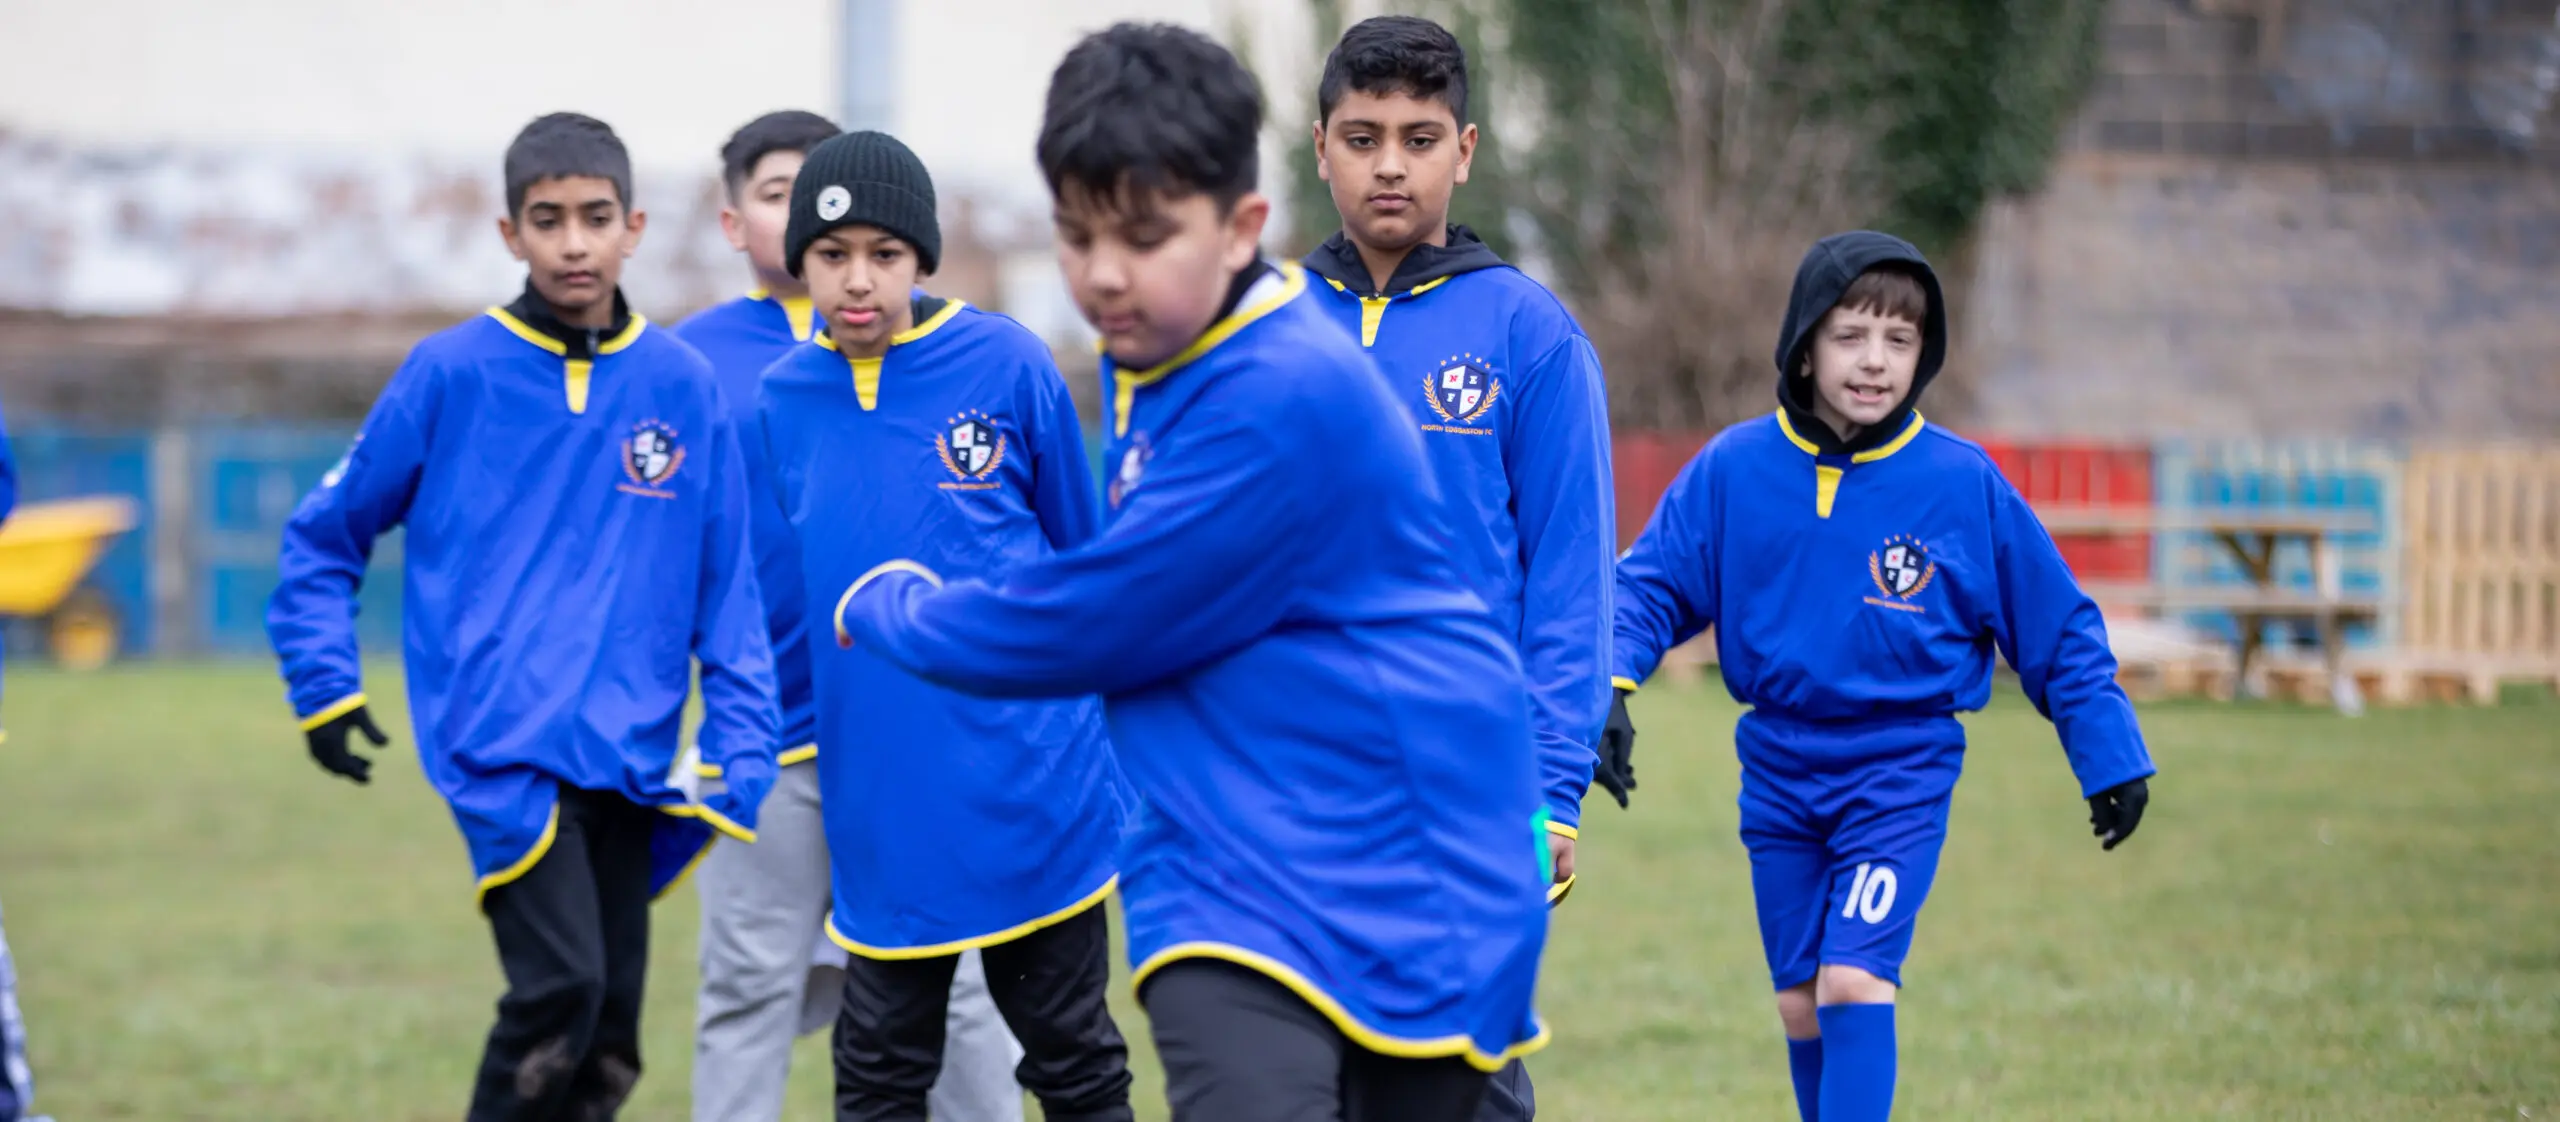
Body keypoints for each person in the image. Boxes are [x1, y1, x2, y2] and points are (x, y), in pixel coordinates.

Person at [831, 23, 1550, 1122]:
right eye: (1076, 236)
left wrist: (896, 608)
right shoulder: (1170, 363)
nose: (1103, 276)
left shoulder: (1278, 395)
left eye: (1146, 236)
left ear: (1241, 227)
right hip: (1234, 876)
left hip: (1419, 867)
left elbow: (1095, 617)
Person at [264, 111, 779, 1122]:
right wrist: (325, 686)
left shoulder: (682, 386)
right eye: (548, 220)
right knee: (559, 995)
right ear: (511, 235)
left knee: (609, 1050)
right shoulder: (450, 373)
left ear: (633, 227)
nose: (574, 243)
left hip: (632, 758)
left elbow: (730, 593)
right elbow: (325, 536)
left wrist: (740, 747)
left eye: (595, 218)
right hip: (501, 750)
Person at [1607, 230, 2157, 1122]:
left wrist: (2109, 751)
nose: (1874, 362)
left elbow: (2055, 624)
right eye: (1851, 336)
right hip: (1777, 771)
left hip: (1898, 772)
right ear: (1805, 344)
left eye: (1899, 342)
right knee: (1799, 1002)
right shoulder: (1735, 469)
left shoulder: (1958, 483)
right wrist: (1611, 686)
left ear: (1923, 354)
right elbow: (1650, 587)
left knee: (1855, 982)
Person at [758, 129, 1132, 1122]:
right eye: (832, 255)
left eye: (884, 254)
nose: (858, 280)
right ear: (800, 263)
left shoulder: (1006, 364)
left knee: (1072, 1059)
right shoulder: (780, 403)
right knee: (877, 1074)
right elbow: (778, 594)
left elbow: (1083, 567)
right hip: (883, 807)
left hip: (1030, 789)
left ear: (921, 258)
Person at [673, 109, 1025, 1122]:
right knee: (747, 988)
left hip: (909, 733)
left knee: (952, 988)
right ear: (744, 223)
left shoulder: (960, 363)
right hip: (768, 731)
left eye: (868, 237)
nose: (845, 260)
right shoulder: (696, 365)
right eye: (779, 197)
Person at [1301, 18, 1618, 1117]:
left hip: (1464, 778)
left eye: (1419, 136)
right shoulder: (1263, 330)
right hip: (1290, 774)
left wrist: (1551, 792)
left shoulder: (1532, 336)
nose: (1391, 162)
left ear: (1465, 149)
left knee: (1456, 1075)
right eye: (1364, 134)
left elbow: (1571, 585)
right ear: (1320, 147)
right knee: (1297, 1070)